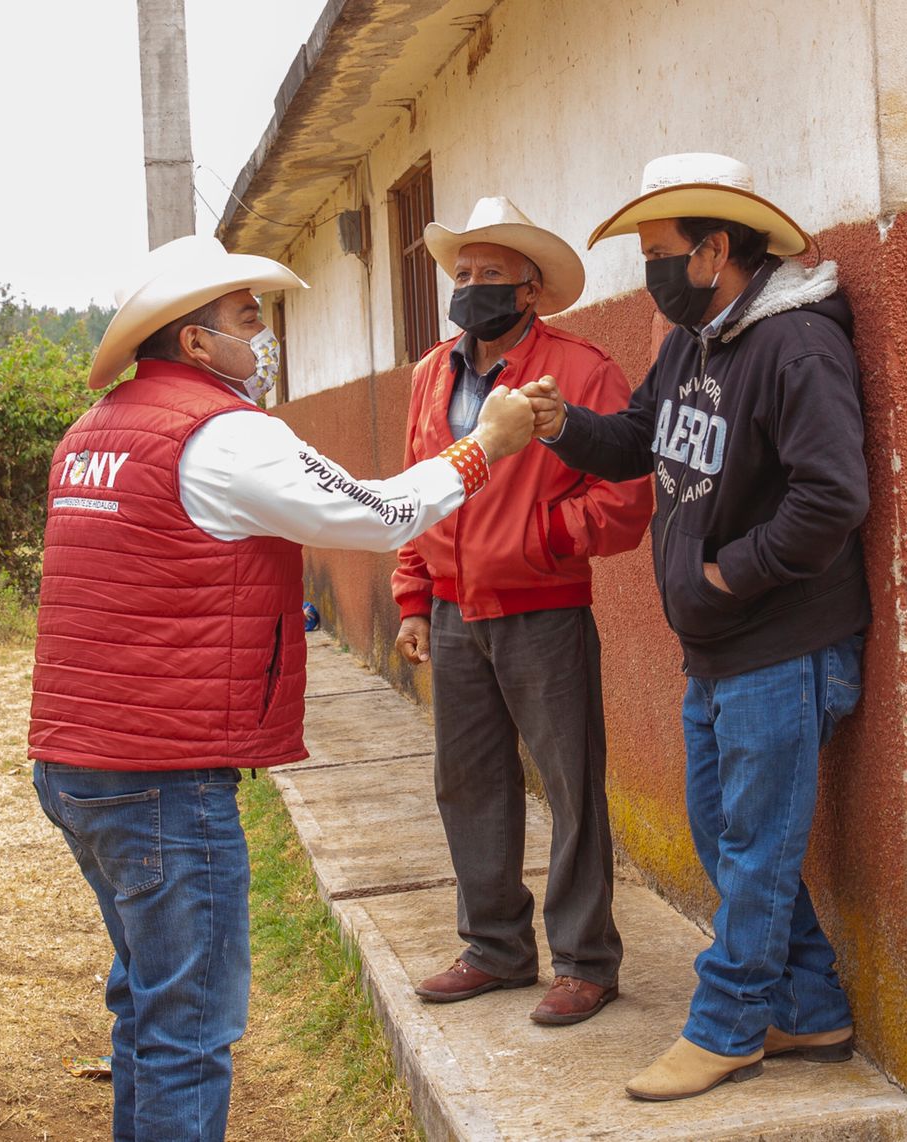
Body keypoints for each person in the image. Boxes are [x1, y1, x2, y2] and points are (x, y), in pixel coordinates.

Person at [27, 234, 535, 1141]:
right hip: (164, 776)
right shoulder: (223, 434)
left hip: (77, 763)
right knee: (188, 1027)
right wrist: (482, 445)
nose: (262, 337)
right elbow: (378, 516)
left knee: (148, 1004)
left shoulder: (93, 432)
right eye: (247, 318)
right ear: (192, 343)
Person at [524, 154, 871, 1100]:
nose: (652, 274)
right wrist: (563, 426)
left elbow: (833, 495)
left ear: (717, 251)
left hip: (784, 644)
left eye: (661, 254)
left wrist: (727, 572)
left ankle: (727, 1025)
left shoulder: (796, 347)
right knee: (723, 833)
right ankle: (809, 1009)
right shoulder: (692, 343)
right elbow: (638, 437)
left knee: (755, 846)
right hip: (718, 645)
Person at [391, 197, 652, 1025]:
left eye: (489, 276)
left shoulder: (581, 370)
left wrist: (542, 540)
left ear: (530, 291)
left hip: (544, 612)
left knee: (572, 787)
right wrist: (412, 596)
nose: (469, 288)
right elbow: (412, 491)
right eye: (462, 275)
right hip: (454, 615)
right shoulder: (432, 373)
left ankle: (585, 960)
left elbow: (627, 495)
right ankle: (496, 950)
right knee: (467, 784)